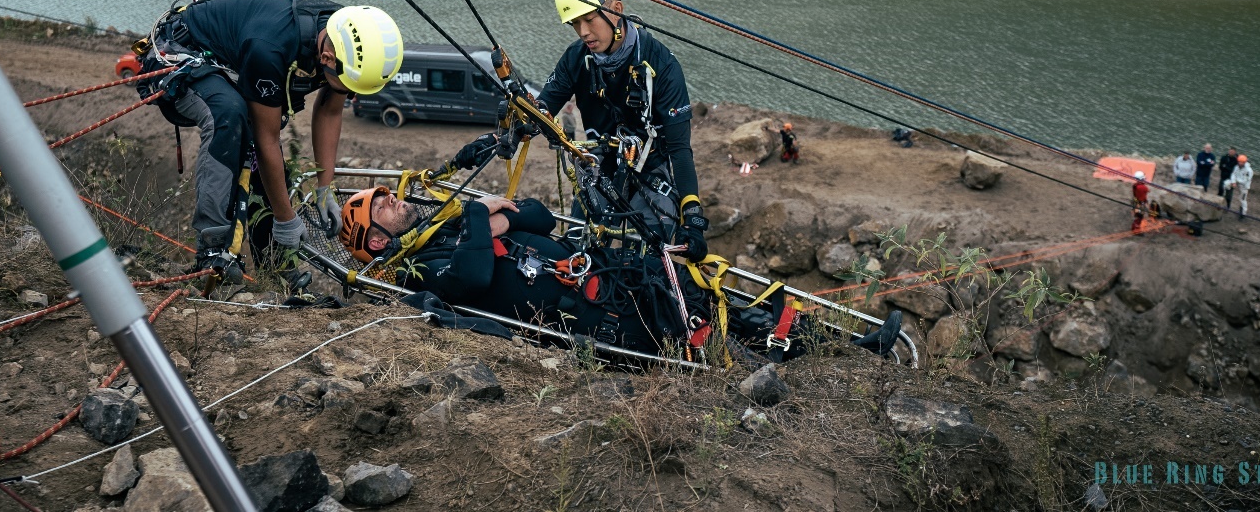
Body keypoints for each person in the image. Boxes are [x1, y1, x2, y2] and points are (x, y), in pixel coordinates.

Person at [339, 184, 904, 362]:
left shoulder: (443, 230)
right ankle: (820, 354)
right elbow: (472, 278)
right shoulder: (419, 269)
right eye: (380, 204)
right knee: (695, 327)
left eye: (387, 194)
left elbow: (533, 211)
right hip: (591, 314)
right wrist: (480, 216)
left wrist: (492, 218)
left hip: (606, 275)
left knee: (703, 290)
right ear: (377, 240)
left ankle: (848, 342)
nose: (393, 197)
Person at [139, 0, 403, 280]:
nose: (349, 92)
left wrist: (324, 188)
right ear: (327, 56)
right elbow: (267, 141)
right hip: (177, 50)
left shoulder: (346, 38)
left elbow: (329, 109)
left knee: (272, 170)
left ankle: (275, 271)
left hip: (236, 62)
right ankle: (212, 246)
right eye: (347, 83)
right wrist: (286, 218)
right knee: (230, 113)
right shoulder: (272, 48)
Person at [538, 0, 707, 261]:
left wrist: (692, 214)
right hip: (599, 170)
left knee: (645, 269)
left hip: (651, 171)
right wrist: (523, 114)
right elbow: (542, 108)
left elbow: (680, 150)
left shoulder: (662, 65)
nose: (583, 32)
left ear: (616, 7)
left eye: (589, 19)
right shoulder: (576, 59)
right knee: (579, 253)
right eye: (575, 23)